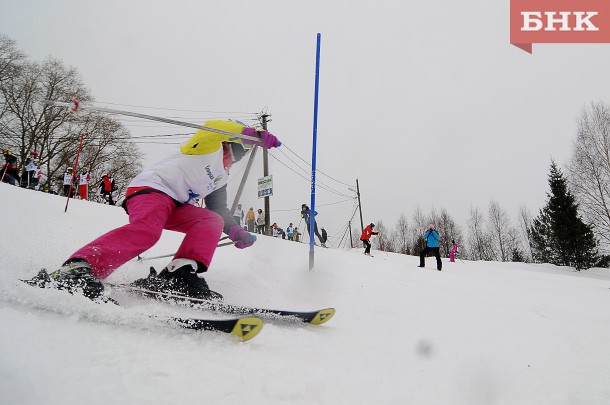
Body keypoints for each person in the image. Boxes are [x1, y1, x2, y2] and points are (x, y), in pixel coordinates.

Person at [26, 120, 280, 300]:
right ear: (228, 143)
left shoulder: (220, 178)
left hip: (176, 206)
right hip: (151, 192)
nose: (233, 159)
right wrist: (251, 133)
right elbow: (214, 125)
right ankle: (79, 269)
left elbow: (219, 209)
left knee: (211, 220)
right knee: (148, 232)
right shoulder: (206, 147)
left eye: (239, 156)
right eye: (236, 150)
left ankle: (179, 274)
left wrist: (235, 230)